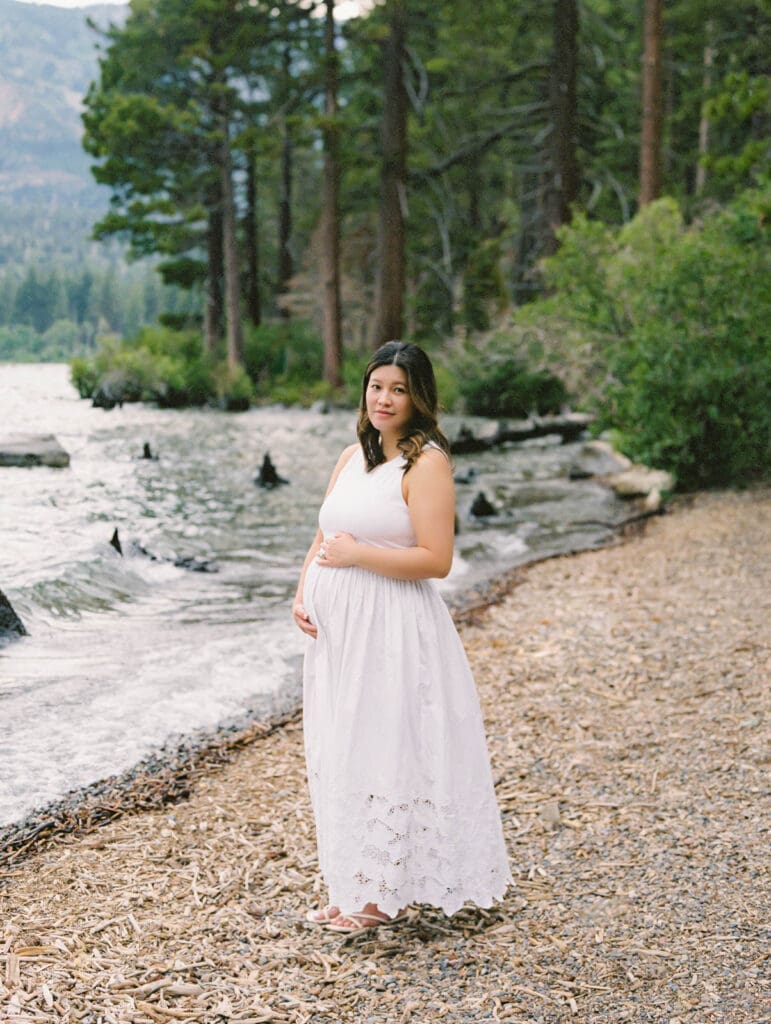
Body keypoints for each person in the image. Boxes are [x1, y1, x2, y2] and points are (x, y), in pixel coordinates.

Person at [292, 341, 512, 935]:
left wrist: (359, 554)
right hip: (338, 637)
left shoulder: (427, 462)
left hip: (391, 628)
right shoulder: (350, 457)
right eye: (376, 386)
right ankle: (352, 882)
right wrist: (301, 590)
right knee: (341, 750)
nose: (384, 399)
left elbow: (436, 559)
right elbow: (325, 533)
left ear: (418, 396)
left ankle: (383, 896)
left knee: (385, 748)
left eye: (398, 388)